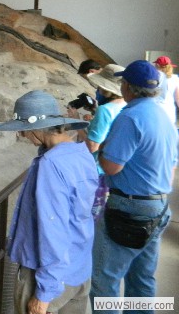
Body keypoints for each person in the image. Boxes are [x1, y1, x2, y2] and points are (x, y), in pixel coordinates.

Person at [0, 90, 98, 314]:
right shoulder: (81, 153)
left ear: (35, 130)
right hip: (79, 269)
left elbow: (52, 230)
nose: (22, 136)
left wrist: (44, 293)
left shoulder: (50, 165)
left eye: (23, 131)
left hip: (51, 280)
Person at [91, 60, 178, 311]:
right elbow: (171, 166)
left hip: (129, 209)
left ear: (127, 87)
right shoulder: (164, 117)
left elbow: (111, 167)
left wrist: (104, 147)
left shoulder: (130, 118)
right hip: (159, 206)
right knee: (142, 279)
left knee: (104, 281)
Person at [68, 64, 126, 220]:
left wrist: (76, 123)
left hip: (95, 169)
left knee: (87, 213)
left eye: (100, 86)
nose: (98, 89)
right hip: (112, 166)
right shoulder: (125, 105)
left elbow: (92, 146)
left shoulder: (105, 110)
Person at [153, 55, 179, 127]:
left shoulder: (153, 78)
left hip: (155, 112)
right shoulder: (175, 79)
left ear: (157, 65)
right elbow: (178, 98)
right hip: (169, 113)